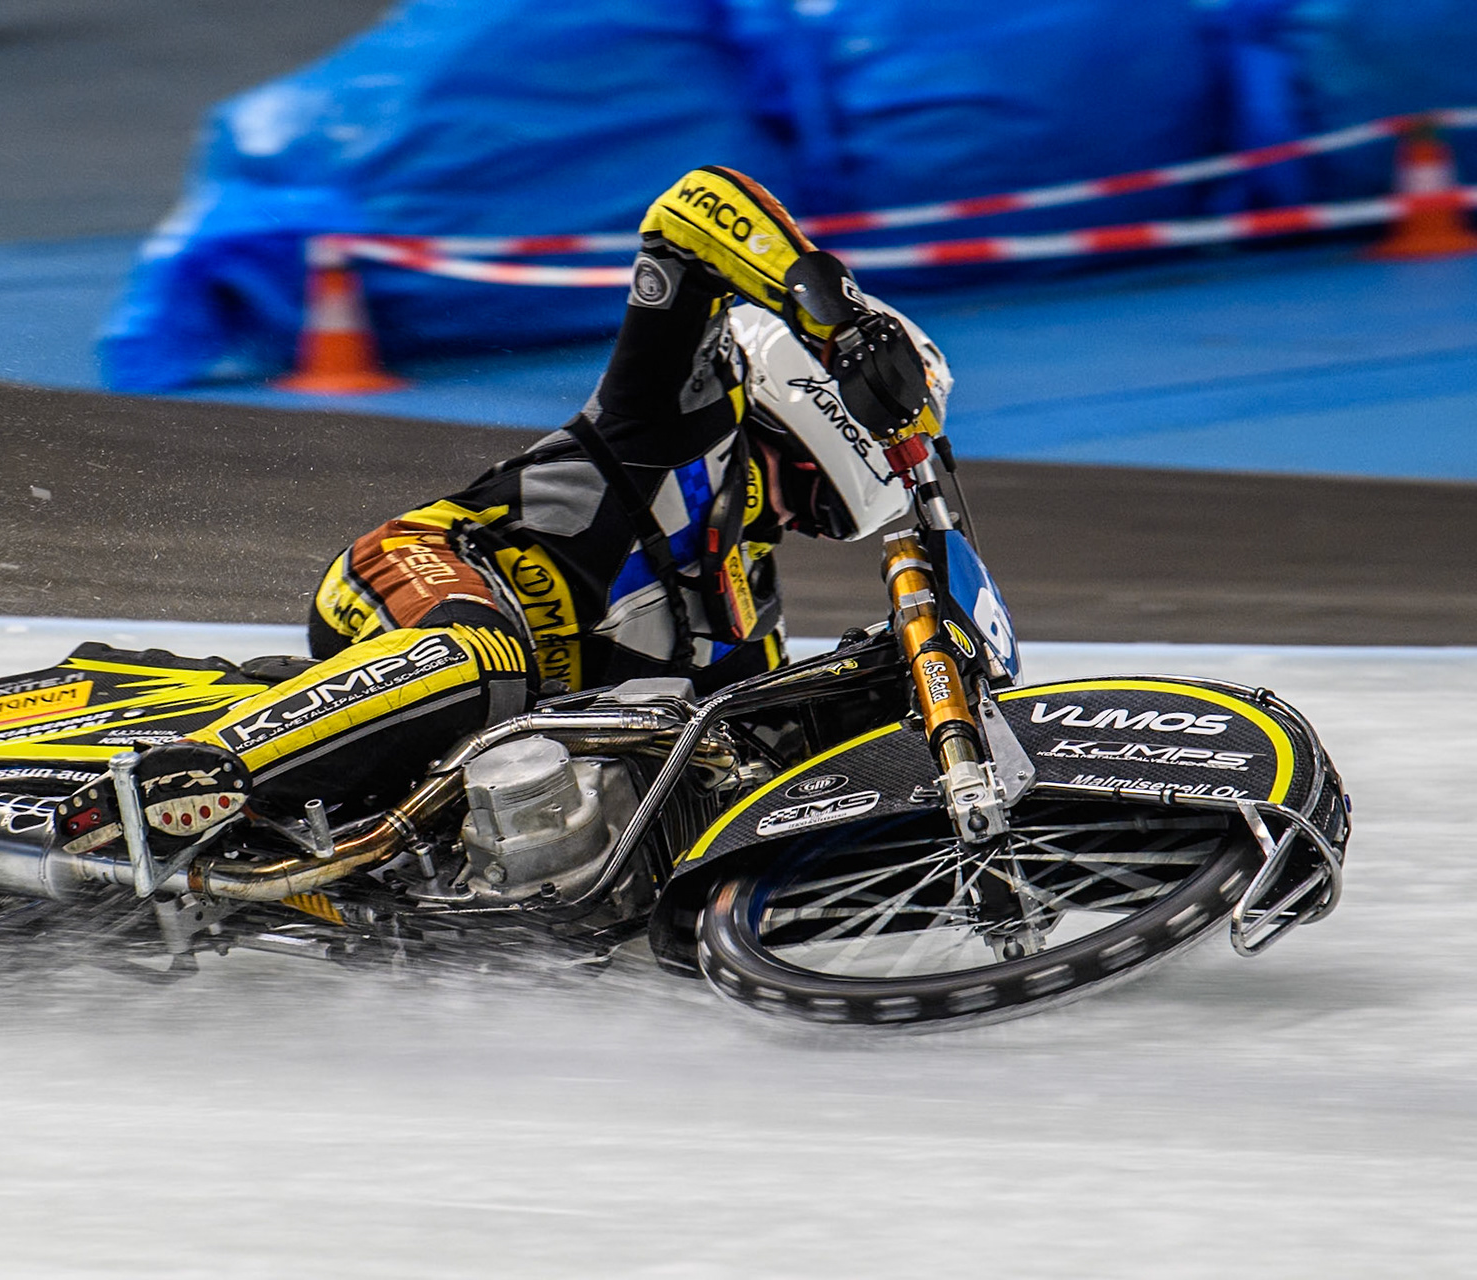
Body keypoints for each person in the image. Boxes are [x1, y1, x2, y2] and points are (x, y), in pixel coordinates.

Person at [56, 166, 951, 856]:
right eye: (818, 496)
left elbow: (746, 747)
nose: (814, 520)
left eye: (829, 517)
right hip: (424, 570)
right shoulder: (675, 416)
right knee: (485, 659)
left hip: (487, 732)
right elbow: (691, 206)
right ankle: (174, 787)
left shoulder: (746, 604)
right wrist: (826, 305)